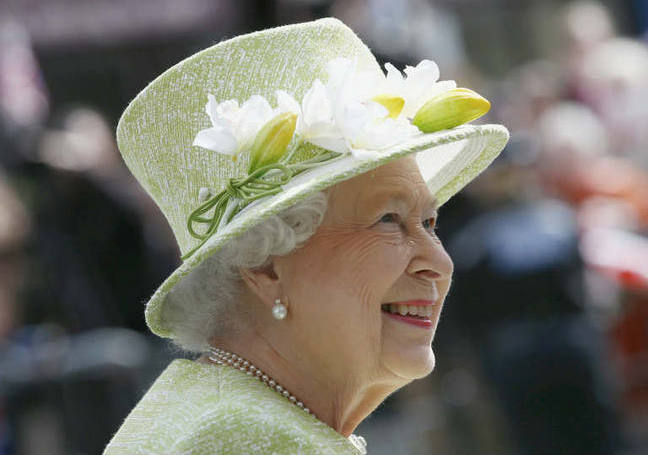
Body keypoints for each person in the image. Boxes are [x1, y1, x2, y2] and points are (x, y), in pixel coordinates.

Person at [103, 18, 508, 454]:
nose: (440, 263)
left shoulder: (231, 409)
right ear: (264, 266)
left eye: (429, 224)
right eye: (388, 220)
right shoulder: (247, 437)